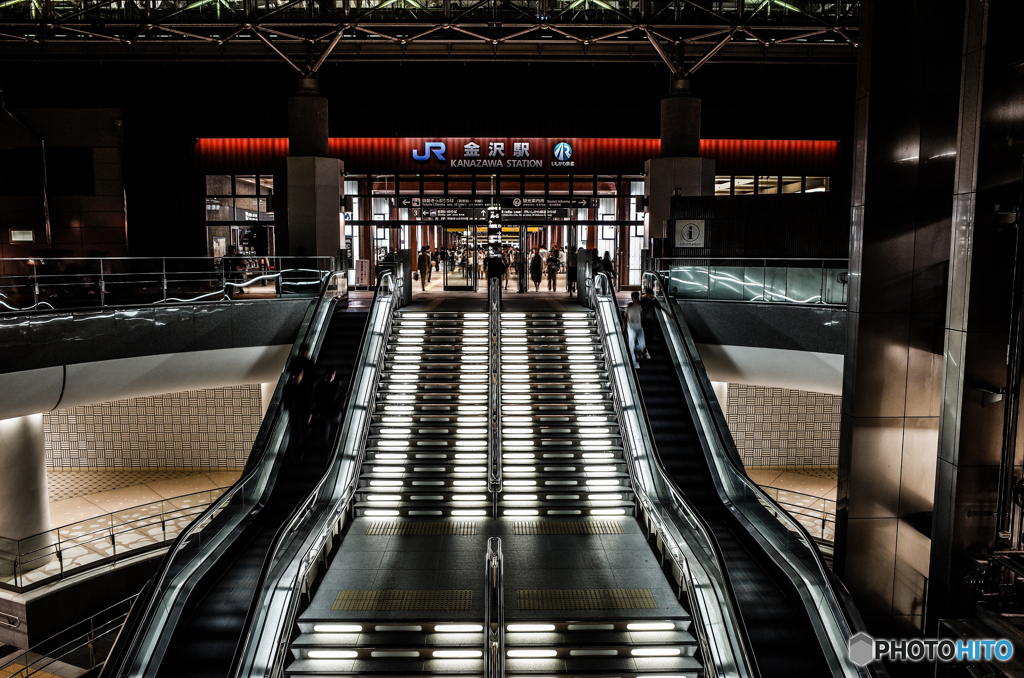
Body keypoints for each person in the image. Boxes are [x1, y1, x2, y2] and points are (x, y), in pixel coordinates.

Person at [625, 291, 645, 368]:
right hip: (631, 326)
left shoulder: (640, 306)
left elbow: (642, 315)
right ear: (632, 299)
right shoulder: (629, 306)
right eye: (634, 298)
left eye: (637, 298)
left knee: (642, 345)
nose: (635, 299)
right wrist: (624, 326)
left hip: (639, 326)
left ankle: (632, 349)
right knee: (631, 344)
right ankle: (633, 362)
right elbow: (626, 316)